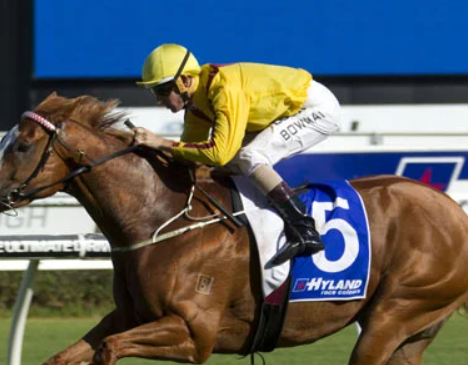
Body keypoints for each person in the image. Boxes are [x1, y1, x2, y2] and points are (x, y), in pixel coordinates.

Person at [132, 43, 341, 266]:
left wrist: (161, 142)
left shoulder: (223, 89)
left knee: (249, 156)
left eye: (162, 90)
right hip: (286, 112)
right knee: (228, 165)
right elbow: (189, 155)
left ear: (185, 81)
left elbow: (218, 154)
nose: (158, 100)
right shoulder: (196, 105)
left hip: (316, 108)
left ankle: (303, 226)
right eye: (154, 92)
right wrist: (150, 151)